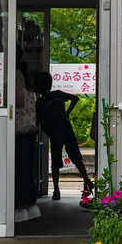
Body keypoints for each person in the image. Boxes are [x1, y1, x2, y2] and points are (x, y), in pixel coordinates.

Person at [34, 71, 92, 201]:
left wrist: (50, 134)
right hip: (66, 127)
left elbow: (42, 123)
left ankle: (56, 190)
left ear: (38, 87)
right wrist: (67, 113)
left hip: (54, 131)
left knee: (56, 161)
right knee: (76, 156)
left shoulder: (40, 103)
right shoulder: (58, 94)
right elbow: (75, 99)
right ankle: (87, 180)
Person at [14, 59, 40, 222]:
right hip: (28, 129)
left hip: (18, 130)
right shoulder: (24, 77)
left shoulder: (15, 74)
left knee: (17, 169)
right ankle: (31, 205)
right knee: (25, 167)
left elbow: (19, 100)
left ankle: (19, 206)